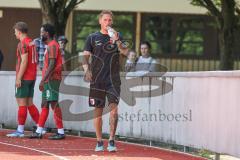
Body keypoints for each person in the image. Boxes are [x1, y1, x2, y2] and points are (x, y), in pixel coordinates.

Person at [83, 10, 128, 152]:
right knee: (98, 111)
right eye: (105, 20)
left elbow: (125, 52)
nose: (108, 22)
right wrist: (87, 70)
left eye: (110, 20)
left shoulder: (117, 36)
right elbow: (85, 57)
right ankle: (99, 141)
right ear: (100, 21)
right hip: (97, 80)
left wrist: (117, 40)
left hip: (113, 79)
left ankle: (112, 140)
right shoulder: (92, 37)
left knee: (114, 111)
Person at [30, 24, 65, 140]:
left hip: (52, 79)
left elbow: (52, 64)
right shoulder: (50, 45)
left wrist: (43, 79)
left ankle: (60, 132)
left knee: (54, 104)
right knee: (44, 104)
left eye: (41, 32)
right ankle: (39, 131)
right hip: (49, 79)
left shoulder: (53, 45)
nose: (40, 35)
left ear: (47, 33)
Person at [6, 22, 40, 137]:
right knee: (29, 103)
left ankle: (20, 130)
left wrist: (18, 78)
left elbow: (24, 61)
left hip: (24, 77)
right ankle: (40, 127)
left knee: (21, 104)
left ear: (19, 32)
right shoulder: (32, 43)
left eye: (15, 31)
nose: (14, 34)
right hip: (32, 77)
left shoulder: (22, 44)